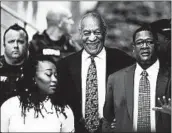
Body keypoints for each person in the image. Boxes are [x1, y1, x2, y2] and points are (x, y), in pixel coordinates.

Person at [59, 12, 135, 133]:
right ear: (80, 33)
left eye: (97, 32)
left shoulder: (123, 61)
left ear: (105, 32)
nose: (92, 38)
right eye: (87, 33)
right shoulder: (65, 65)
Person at [104, 24, 171, 132]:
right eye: (140, 42)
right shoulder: (115, 79)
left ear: (157, 45)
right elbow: (107, 120)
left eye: (149, 42)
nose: (144, 46)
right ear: (134, 48)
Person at [1, 54, 74, 132]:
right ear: (33, 76)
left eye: (56, 75)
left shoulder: (63, 109)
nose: (54, 79)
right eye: (48, 75)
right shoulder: (10, 106)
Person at [0, 24, 29, 106]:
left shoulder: (35, 69)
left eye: (20, 42)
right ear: (4, 45)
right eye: (11, 41)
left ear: (27, 45)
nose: (15, 46)